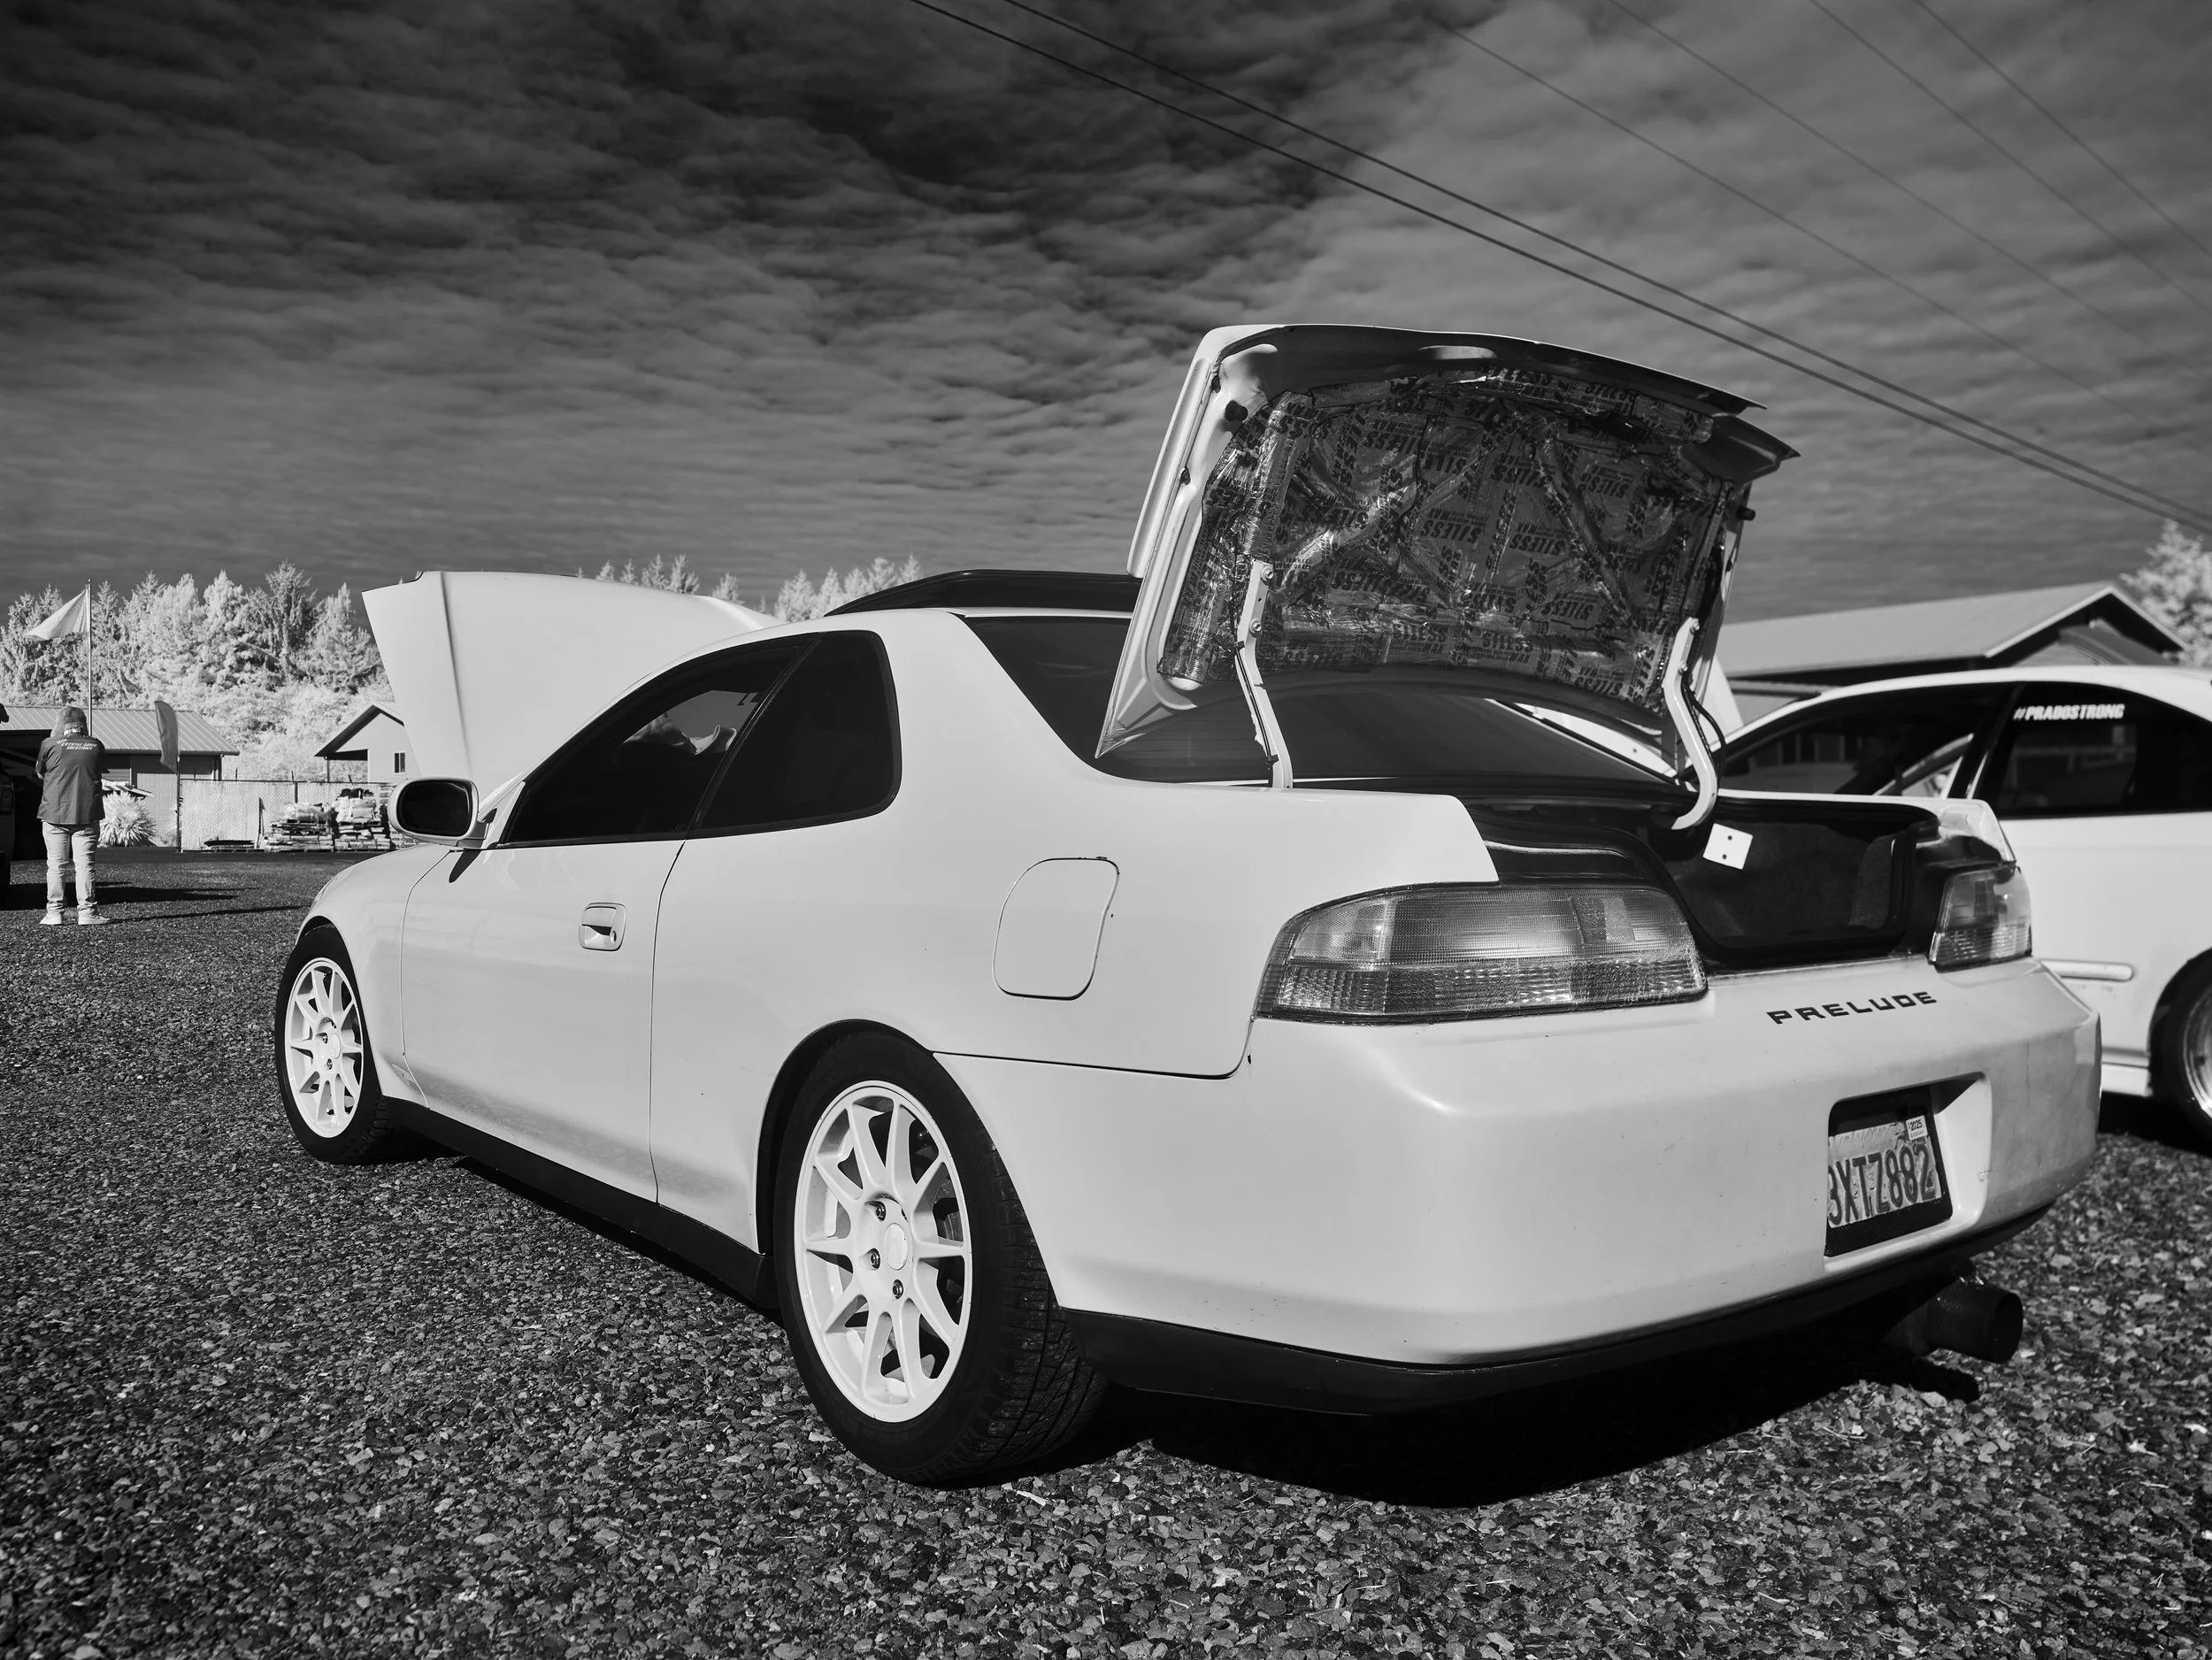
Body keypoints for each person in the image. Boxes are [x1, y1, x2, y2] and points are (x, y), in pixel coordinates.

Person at [36, 706, 108, 926]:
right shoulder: (96, 745)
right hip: (86, 815)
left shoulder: (49, 745)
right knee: (85, 864)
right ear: (83, 724)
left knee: (56, 865)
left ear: (60, 724)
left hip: (54, 813)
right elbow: (98, 769)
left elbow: (40, 771)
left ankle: (54, 913)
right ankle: (87, 913)